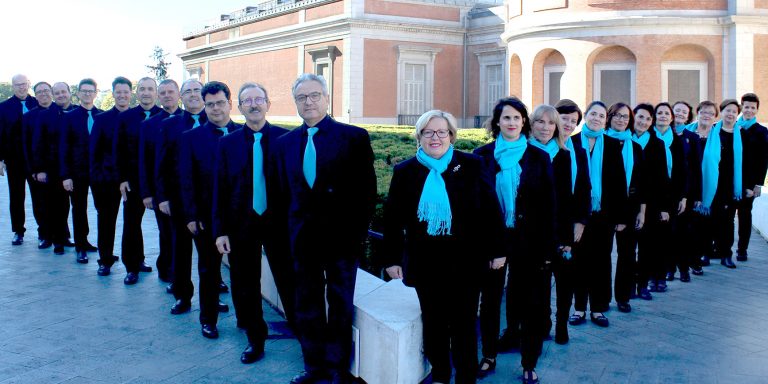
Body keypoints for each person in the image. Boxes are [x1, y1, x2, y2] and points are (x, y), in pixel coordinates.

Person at [384, 110, 505, 384]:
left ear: (451, 135)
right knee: (435, 324)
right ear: (419, 137)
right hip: (426, 264)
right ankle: (440, 373)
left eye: (441, 132)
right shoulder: (405, 171)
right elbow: (393, 220)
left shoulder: (472, 165)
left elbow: (490, 211)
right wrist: (392, 259)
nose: (435, 137)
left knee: (463, 325)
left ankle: (465, 376)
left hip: (467, 262)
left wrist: (498, 251)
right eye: (428, 132)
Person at [272, 74, 376, 384]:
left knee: (341, 305)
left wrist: (357, 235)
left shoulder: (354, 137)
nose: (309, 102)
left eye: (315, 95)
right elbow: (281, 196)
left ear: (327, 98)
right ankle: (313, 367)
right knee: (307, 305)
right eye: (302, 97)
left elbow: (366, 194)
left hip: (342, 241)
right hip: (302, 242)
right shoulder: (284, 144)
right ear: (295, 103)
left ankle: (337, 369)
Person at [475, 100, 556, 384]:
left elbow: (549, 207)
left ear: (525, 122)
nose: (511, 122)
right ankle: (489, 355)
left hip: (530, 242)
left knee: (530, 303)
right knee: (490, 302)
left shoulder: (539, 156)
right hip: (493, 240)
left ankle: (529, 362)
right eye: (506, 117)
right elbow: (477, 206)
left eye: (517, 117)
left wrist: (548, 250)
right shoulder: (481, 156)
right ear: (497, 122)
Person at [212, 82, 293, 363]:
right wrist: (220, 230)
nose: (254, 104)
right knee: (245, 284)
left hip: (279, 225)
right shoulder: (227, 143)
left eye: (259, 99)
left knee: (289, 280)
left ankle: (304, 335)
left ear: (269, 104)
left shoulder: (287, 140)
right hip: (240, 226)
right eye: (248, 101)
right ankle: (255, 339)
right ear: (240, 107)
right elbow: (219, 189)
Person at [570, 101, 643, 328]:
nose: (597, 118)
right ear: (586, 116)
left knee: (601, 262)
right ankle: (580, 308)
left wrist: (622, 218)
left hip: (605, 214)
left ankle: (599, 308)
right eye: (593, 114)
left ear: (605, 120)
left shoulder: (612, 144)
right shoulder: (572, 143)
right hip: (579, 214)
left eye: (601, 116)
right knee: (579, 261)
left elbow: (620, 183)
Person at [179, 81, 240, 339]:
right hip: (205, 219)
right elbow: (186, 179)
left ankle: (246, 320)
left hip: (240, 218)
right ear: (205, 106)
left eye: (220, 103)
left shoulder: (244, 133)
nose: (215, 108)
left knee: (243, 273)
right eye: (210, 104)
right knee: (208, 270)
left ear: (230, 103)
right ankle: (208, 320)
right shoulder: (190, 138)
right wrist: (191, 216)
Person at [157, 78, 207, 314]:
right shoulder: (170, 126)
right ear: (181, 97)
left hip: (209, 201)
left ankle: (211, 298)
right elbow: (162, 164)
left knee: (209, 253)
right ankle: (182, 296)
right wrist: (163, 197)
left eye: (197, 90)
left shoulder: (216, 120)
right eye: (188, 92)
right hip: (178, 199)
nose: (193, 95)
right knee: (181, 250)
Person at [630, 103, 684, 302]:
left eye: (647, 119)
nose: (643, 122)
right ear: (633, 117)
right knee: (628, 250)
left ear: (651, 122)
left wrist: (664, 207)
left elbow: (663, 179)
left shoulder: (657, 144)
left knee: (647, 248)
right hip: (628, 203)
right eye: (640, 117)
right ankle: (628, 286)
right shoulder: (623, 140)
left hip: (652, 204)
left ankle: (643, 284)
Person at [551, 99, 591, 344]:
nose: (568, 124)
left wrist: (581, 222)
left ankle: (561, 324)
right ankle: (542, 323)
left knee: (565, 280)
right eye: (564, 118)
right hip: (543, 226)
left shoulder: (578, 151)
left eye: (573, 121)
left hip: (568, 225)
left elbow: (585, 188)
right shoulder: (540, 148)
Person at [115, 77, 161, 284]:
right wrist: (122, 178)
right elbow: (119, 150)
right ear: (137, 92)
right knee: (131, 225)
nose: (146, 92)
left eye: (150, 89)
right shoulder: (126, 118)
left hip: (160, 182)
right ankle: (132, 267)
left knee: (166, 228)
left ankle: (167, 267)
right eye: (142, 89)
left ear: (156, 92)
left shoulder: (165, 116)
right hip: (133, 181)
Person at [139, 79, 182, 284]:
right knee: (166, 234)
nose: (167, 95)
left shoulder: (190, 120)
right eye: (162, 92)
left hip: (190, 191)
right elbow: (145, 161)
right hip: (162, 191)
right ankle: (168, 271)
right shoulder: (149, 125)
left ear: (178, 94)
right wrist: (147, 193)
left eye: (170, 92)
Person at [89, 76, 131, 277]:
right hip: (106, 181)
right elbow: (94, 152)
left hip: (132, 181)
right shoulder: (102, 120)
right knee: (106, 221)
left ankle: (135, 261)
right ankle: (105, 260)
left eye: (126, 92)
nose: (122, 95)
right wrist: (96, 180)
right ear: (113, 94)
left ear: (131, 94)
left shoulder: (137, 118)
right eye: (118, 92)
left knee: (132, 224)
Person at [31, 82, 76, 254]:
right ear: (53, 95)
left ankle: (66, 237)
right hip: (52, 169)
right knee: (55, 206)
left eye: (63, 92)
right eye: (57, 93)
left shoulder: (77, 112)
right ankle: (58, 240)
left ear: (69, 93)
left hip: (75, 168)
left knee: (69, 206)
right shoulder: (45, 115)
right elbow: (38, 144)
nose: (61, 95)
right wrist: (40, 169)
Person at [61, 78, 102, 263]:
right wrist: (66, 175)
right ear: (78, 93)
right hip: (77, 173)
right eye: (83, 91)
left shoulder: (102, 116)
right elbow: (64, 148)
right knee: (79, 209)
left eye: (90, 91)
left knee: (102, 209)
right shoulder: (69, 117)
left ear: (96, 93)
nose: (87, 94)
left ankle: (101, 246)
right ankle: (81, 246)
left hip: (100, 173)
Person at [698, 99, 743, 269]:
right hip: (710, 183)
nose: (730, 114)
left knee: (727, 221)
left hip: (729, 184)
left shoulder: (740, 134)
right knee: (707, 219)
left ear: (736, 114)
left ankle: (726, 254)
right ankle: (706, 253)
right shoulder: (712, 132)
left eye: (734, 111)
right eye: (727, 110)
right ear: (721, 112)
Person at [0, 74, 38, 245]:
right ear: (12, 87)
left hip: (36, 161)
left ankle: (44, 231)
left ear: (29, 84)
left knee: (40, 197)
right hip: (14, 160)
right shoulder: (3, 107)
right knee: (16, 197)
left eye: (24, 84)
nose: (21, 87)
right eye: (18, 85)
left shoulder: (38, 103)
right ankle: (18, 231)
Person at [735, 93, 768, 262]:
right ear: (741, 107)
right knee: (724, 216)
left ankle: (742, 249)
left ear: (757, 110)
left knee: (744, 215)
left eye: (752, 108)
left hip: (748, 182)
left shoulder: (762, 132)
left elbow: (764, 160)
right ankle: (721, 247)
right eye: (746, 107)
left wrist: (757, 184)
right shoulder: (733, 127)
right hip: (730, 179)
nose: (748, 110)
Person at [22, 82, 53, 249]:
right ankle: (45, 234)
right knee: (40, 203)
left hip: (58, 169)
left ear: (52, 92)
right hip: (37, 170)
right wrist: (34, 169)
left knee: (60, 204)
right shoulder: (28, 117)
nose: (43, 94)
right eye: (39, 92)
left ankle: (63, 235)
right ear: (35, 95)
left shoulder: (62, 111)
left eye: (46, 91)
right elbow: (26, 145)